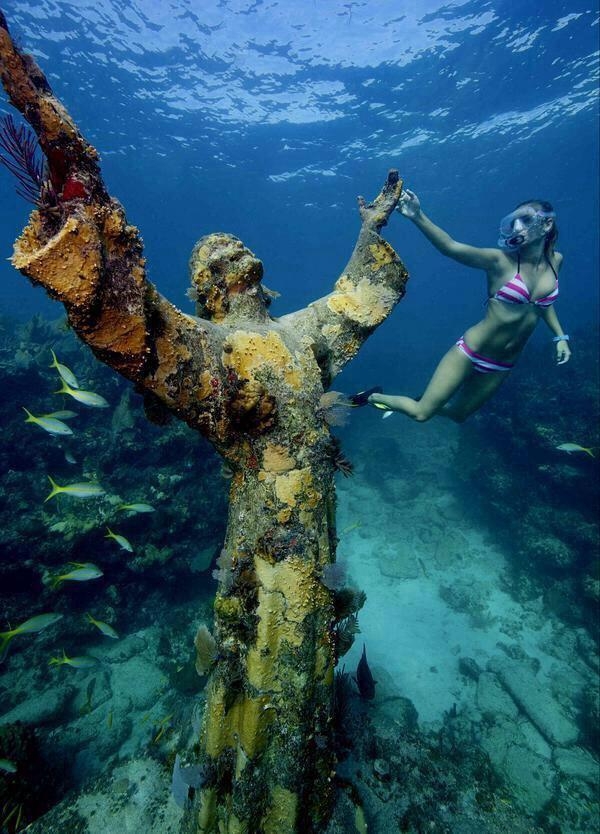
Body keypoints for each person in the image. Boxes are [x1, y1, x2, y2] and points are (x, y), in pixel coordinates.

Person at [367, 188, 571, 423]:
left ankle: (428, 400)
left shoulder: (557, 261)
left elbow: (542, 305)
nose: (516, 227)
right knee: (421, 413)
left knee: (459, 414)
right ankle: (372, 397)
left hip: (503, 363)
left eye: (524, 220)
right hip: (471, 351)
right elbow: (451, 247)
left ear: (546, 225)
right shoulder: (500, 261)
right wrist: (417, 216)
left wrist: (560, 336)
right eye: (513, 222)